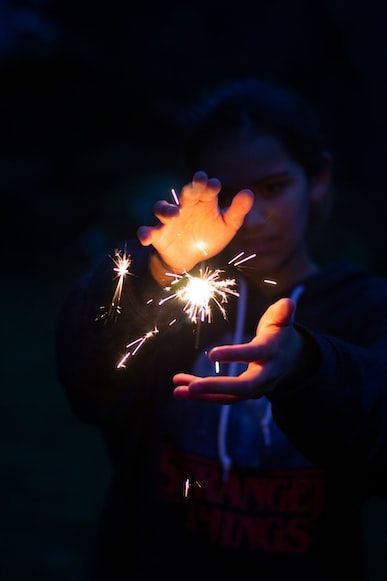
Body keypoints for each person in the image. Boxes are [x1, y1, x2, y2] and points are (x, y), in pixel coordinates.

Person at [55, 77, 387, 581]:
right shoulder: (168, 298)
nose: (253, 215)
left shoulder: (365, 307)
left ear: (317, 180)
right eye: (229, 194)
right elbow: (89, 386)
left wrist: (308, 366)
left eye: (274, 187)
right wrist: (157, 272)